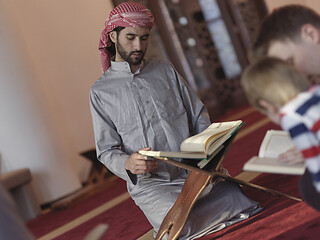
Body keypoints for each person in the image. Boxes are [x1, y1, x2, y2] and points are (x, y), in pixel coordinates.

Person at [90, 2, 261, 239]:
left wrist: (209, 157)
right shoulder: (101, 92)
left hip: (193, 173)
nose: (138, 46)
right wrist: (128, 163)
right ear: (113, 36)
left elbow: (198, 115)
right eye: (130, 38)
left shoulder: (164, 69)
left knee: (236, 196)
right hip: (153, 185)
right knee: (179, 222)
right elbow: (106, 149)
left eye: (144, 38)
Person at [241, 57, 320, 211]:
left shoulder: (291, 116)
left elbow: (315, 160)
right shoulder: (315, 91)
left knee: (308, 188)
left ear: (267, 106)